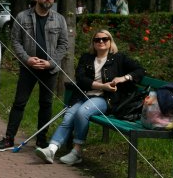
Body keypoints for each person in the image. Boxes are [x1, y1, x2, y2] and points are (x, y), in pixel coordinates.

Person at [35, 30, 144, 164]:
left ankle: (77, 152)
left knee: (82, 113)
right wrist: (102, 86)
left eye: (105, 39)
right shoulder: (86, 57)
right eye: (97, 40)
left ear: (110, 42)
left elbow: (140, 70)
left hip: (105, 99)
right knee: (69, 115)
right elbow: (81, 79)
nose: (101, 42)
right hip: (83, 96)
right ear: (93, 43)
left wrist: (124, 78)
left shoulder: (119, 58)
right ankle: (51, 149)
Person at [0, 0, 68, 151]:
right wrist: (27, 59)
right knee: (19, 103)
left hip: (49, 70)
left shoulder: (59, 19)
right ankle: (9, 138)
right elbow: (15, 41)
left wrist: (51, 62)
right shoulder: (22, 17)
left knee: (46, 104)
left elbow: (63, 44)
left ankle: (42, 140)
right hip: (29, 68)